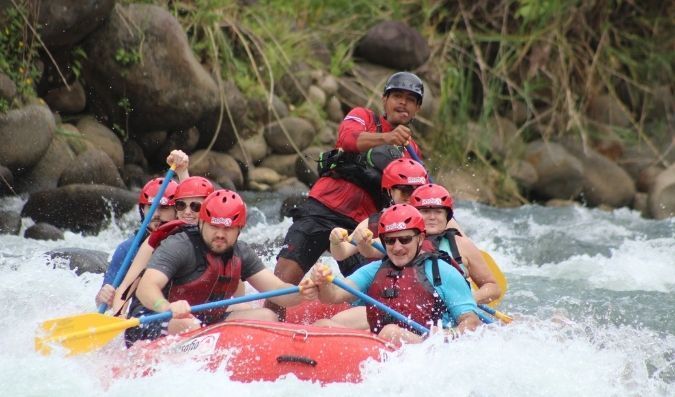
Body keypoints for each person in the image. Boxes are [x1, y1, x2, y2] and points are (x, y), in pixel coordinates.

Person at [268, 71, 426, 318]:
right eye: (397, 96)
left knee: (375, 290)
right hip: (322, 209)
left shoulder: (412, 152)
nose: (403, 102)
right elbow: (347, 138)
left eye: (410, 99)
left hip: (361, 228)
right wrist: (386, 138)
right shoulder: (362, 117)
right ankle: (271, 322)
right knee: (282, 280)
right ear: (385, 100)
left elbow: (415, 198)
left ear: (417, 109)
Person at [125, 190, 318, 346]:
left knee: (267, 316)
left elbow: (277, 290)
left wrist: (302, 293)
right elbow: (146, 287)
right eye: (213, 227)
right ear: (201, 223)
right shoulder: (179, 246)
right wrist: (166, 307)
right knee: (189, 324)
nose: (220, 234)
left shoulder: (241, 252)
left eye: (227, 229)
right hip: (152, 319)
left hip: (206, 322)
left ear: (239, 230)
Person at [309, 204, 481, 344]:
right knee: (322, 325)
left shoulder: (442, 271)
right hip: (382, 341)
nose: (397, 247)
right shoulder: (376, 269)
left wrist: (440, 336)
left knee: (391, 333)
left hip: (426, 345)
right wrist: (323, 282)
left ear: (420, 238)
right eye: (390, 241)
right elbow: (334, 296)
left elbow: (472, 324)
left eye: (405, 240)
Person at [95, 150, 189, 307]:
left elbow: (195, 209)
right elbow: (103, 303)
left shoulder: (188, 239)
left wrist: (183, 171)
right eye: (150, 207)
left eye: (164, 207)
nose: (156, 214)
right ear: (142, 210)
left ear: (177, 210)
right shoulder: (127, 249)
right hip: (146, 313)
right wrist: (103, 298)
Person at [110, 176, 216, 314]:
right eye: (181, 206)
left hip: (191, 310)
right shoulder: (154, 240)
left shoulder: (219, 242)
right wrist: (118, 317)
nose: (188, 212)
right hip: (154, 313)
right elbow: (125, 288)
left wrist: (182, 171)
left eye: (195, 207)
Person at [410, 184, 501, 304]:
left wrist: (467, 300)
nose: (432, 217)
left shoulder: (463, 245)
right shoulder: (401, 241)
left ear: (447, 216)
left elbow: (493, 288)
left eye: (438, 211)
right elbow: (377, 249)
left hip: (458, 315)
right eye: (426, 211)